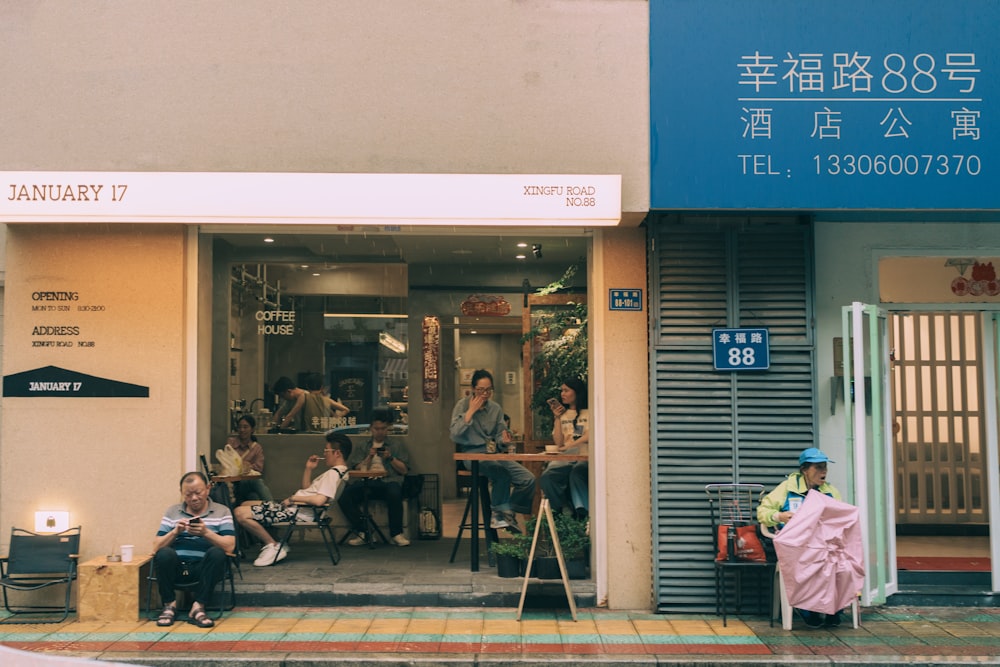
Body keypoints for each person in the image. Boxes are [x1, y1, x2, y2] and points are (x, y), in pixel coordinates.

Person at [234, 431, 352, 566]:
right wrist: (309, 469)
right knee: (245, 503)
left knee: (239, 513)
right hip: (296, 510)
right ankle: (275, 540)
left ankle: (272, 544)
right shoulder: (340, 472)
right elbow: (307, 489)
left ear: (337, 453)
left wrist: (292, 499)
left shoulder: (333, 474)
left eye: (327, 450)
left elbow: (319, 501)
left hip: (295, 513)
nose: (324, 453)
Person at [757, 447, 844, 629]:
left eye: (825, 467)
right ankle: (808, 608)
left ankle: (834, 608)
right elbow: (763, 511)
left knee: (841, 562)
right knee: (808, 562)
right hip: (795, 545)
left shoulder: (830, 491)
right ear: (805, 469)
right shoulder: (787, 488)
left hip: (822, 544)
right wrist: (779, 517)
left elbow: (841, 516)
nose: (824, 472)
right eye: (818, 467)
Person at [450, 369, 535, 533]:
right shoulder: (462, 405)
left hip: (494, 454)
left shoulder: (495, 408)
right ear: (474, 388)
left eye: (488, 390)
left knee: (528, 479)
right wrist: (470, 413)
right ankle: (500, 514)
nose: (485, 394)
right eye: (481, 390)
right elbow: (454, 434)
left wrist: (505, 439)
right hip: (472, 455)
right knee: (500, 473)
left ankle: (508, 511)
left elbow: (501, 435)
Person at [152, 471, 236, 628]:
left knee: (218, 553)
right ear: (182, 493)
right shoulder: (172, 512)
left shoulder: (221, 511)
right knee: (163, 553)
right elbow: (156, 546)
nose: (194, 498)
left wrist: (206, 533)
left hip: (203, 569)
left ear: (208, 489)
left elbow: (230, 546)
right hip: (179, 569)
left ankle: (198, 606)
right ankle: (169, 605)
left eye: (198, 493)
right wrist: (175, 532)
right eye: (188, 494)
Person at [339, 407, 412, 547]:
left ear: (388, 428)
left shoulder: (396, 445)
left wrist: (390, 458)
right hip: (367, 481)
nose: (380, 432)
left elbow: (404, 471)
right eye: (376, 428)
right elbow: (354, 468)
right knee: (344, 496)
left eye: (383, 428)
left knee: (395, 492)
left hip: (389, 481)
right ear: (371, 428)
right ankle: (365, 531)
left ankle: (396, 534)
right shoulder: (363, 445)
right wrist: (369, 458)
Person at [538, 378, 589, 519]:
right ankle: (562, 507)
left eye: (566, 390)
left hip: (584, 455)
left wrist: (570, 445)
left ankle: (582, 512)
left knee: (577, 473)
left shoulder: (589, 412)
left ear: (577, 392)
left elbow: (590, 435)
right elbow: (559, 443)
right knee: (547, 476)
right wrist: (557, 418)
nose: (562, 394)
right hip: (565, 456)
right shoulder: (563, 415)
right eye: (561, 390)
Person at [224, 415, 273, 504]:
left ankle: (271, 508)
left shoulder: (256, 448)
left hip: (247, 483)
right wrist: (244, 466)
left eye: (245, 427)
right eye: (240, 427)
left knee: (254, 496)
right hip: (233, 483)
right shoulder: (231, 443)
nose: (242, 430)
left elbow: (259, 468)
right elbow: (227, 462)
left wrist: (247, 466)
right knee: (257, 483)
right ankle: (274, 507)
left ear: (252, 429)